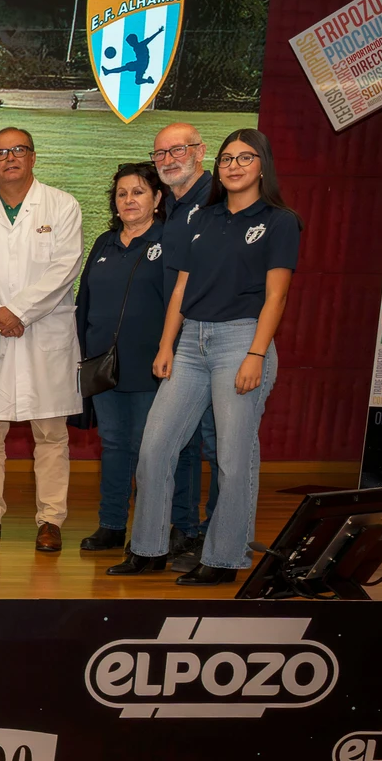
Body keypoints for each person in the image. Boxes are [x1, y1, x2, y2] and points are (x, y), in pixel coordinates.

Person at [110, 129, 298, 586]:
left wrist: (256, 354)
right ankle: (148, 549)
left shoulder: (279, 220)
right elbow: (181, 286)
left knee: (233, 458)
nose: (234, 166)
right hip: (190, 342)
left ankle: (225, 557)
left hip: (241, 340)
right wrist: (166, 345)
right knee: (155, 448)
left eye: (245, 157)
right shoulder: (204, 217)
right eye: (228, 158)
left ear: (262, 164)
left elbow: (276, 297)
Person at [0, 128, 84, 553]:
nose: (9, 158)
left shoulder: (62, 206)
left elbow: (65, 267)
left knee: (51, 435)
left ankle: (50, 519)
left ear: (32, 156)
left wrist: (20, 312)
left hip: (43, 333)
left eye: (18, 150)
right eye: (0, 153)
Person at [76, 163, 173, 551]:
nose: (129, 200)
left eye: (138, 192)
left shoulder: (170, 241)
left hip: (151, 365)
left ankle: (152, 533)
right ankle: (112, 525)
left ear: (157, 198)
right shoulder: (105, 242)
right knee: (114, 445)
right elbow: (85, 301)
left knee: (149, 449)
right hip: (104, 365)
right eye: (121, 194)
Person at [152, 121, 219, 564]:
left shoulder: (219, 201)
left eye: (179, 149)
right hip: (182, 345)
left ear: (201, 150)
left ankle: (219, 540)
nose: (170, 159)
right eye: (161, 153)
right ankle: (190, 533)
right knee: (185, 443)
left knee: (220, 447)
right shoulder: (175, 206)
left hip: (216, 344)